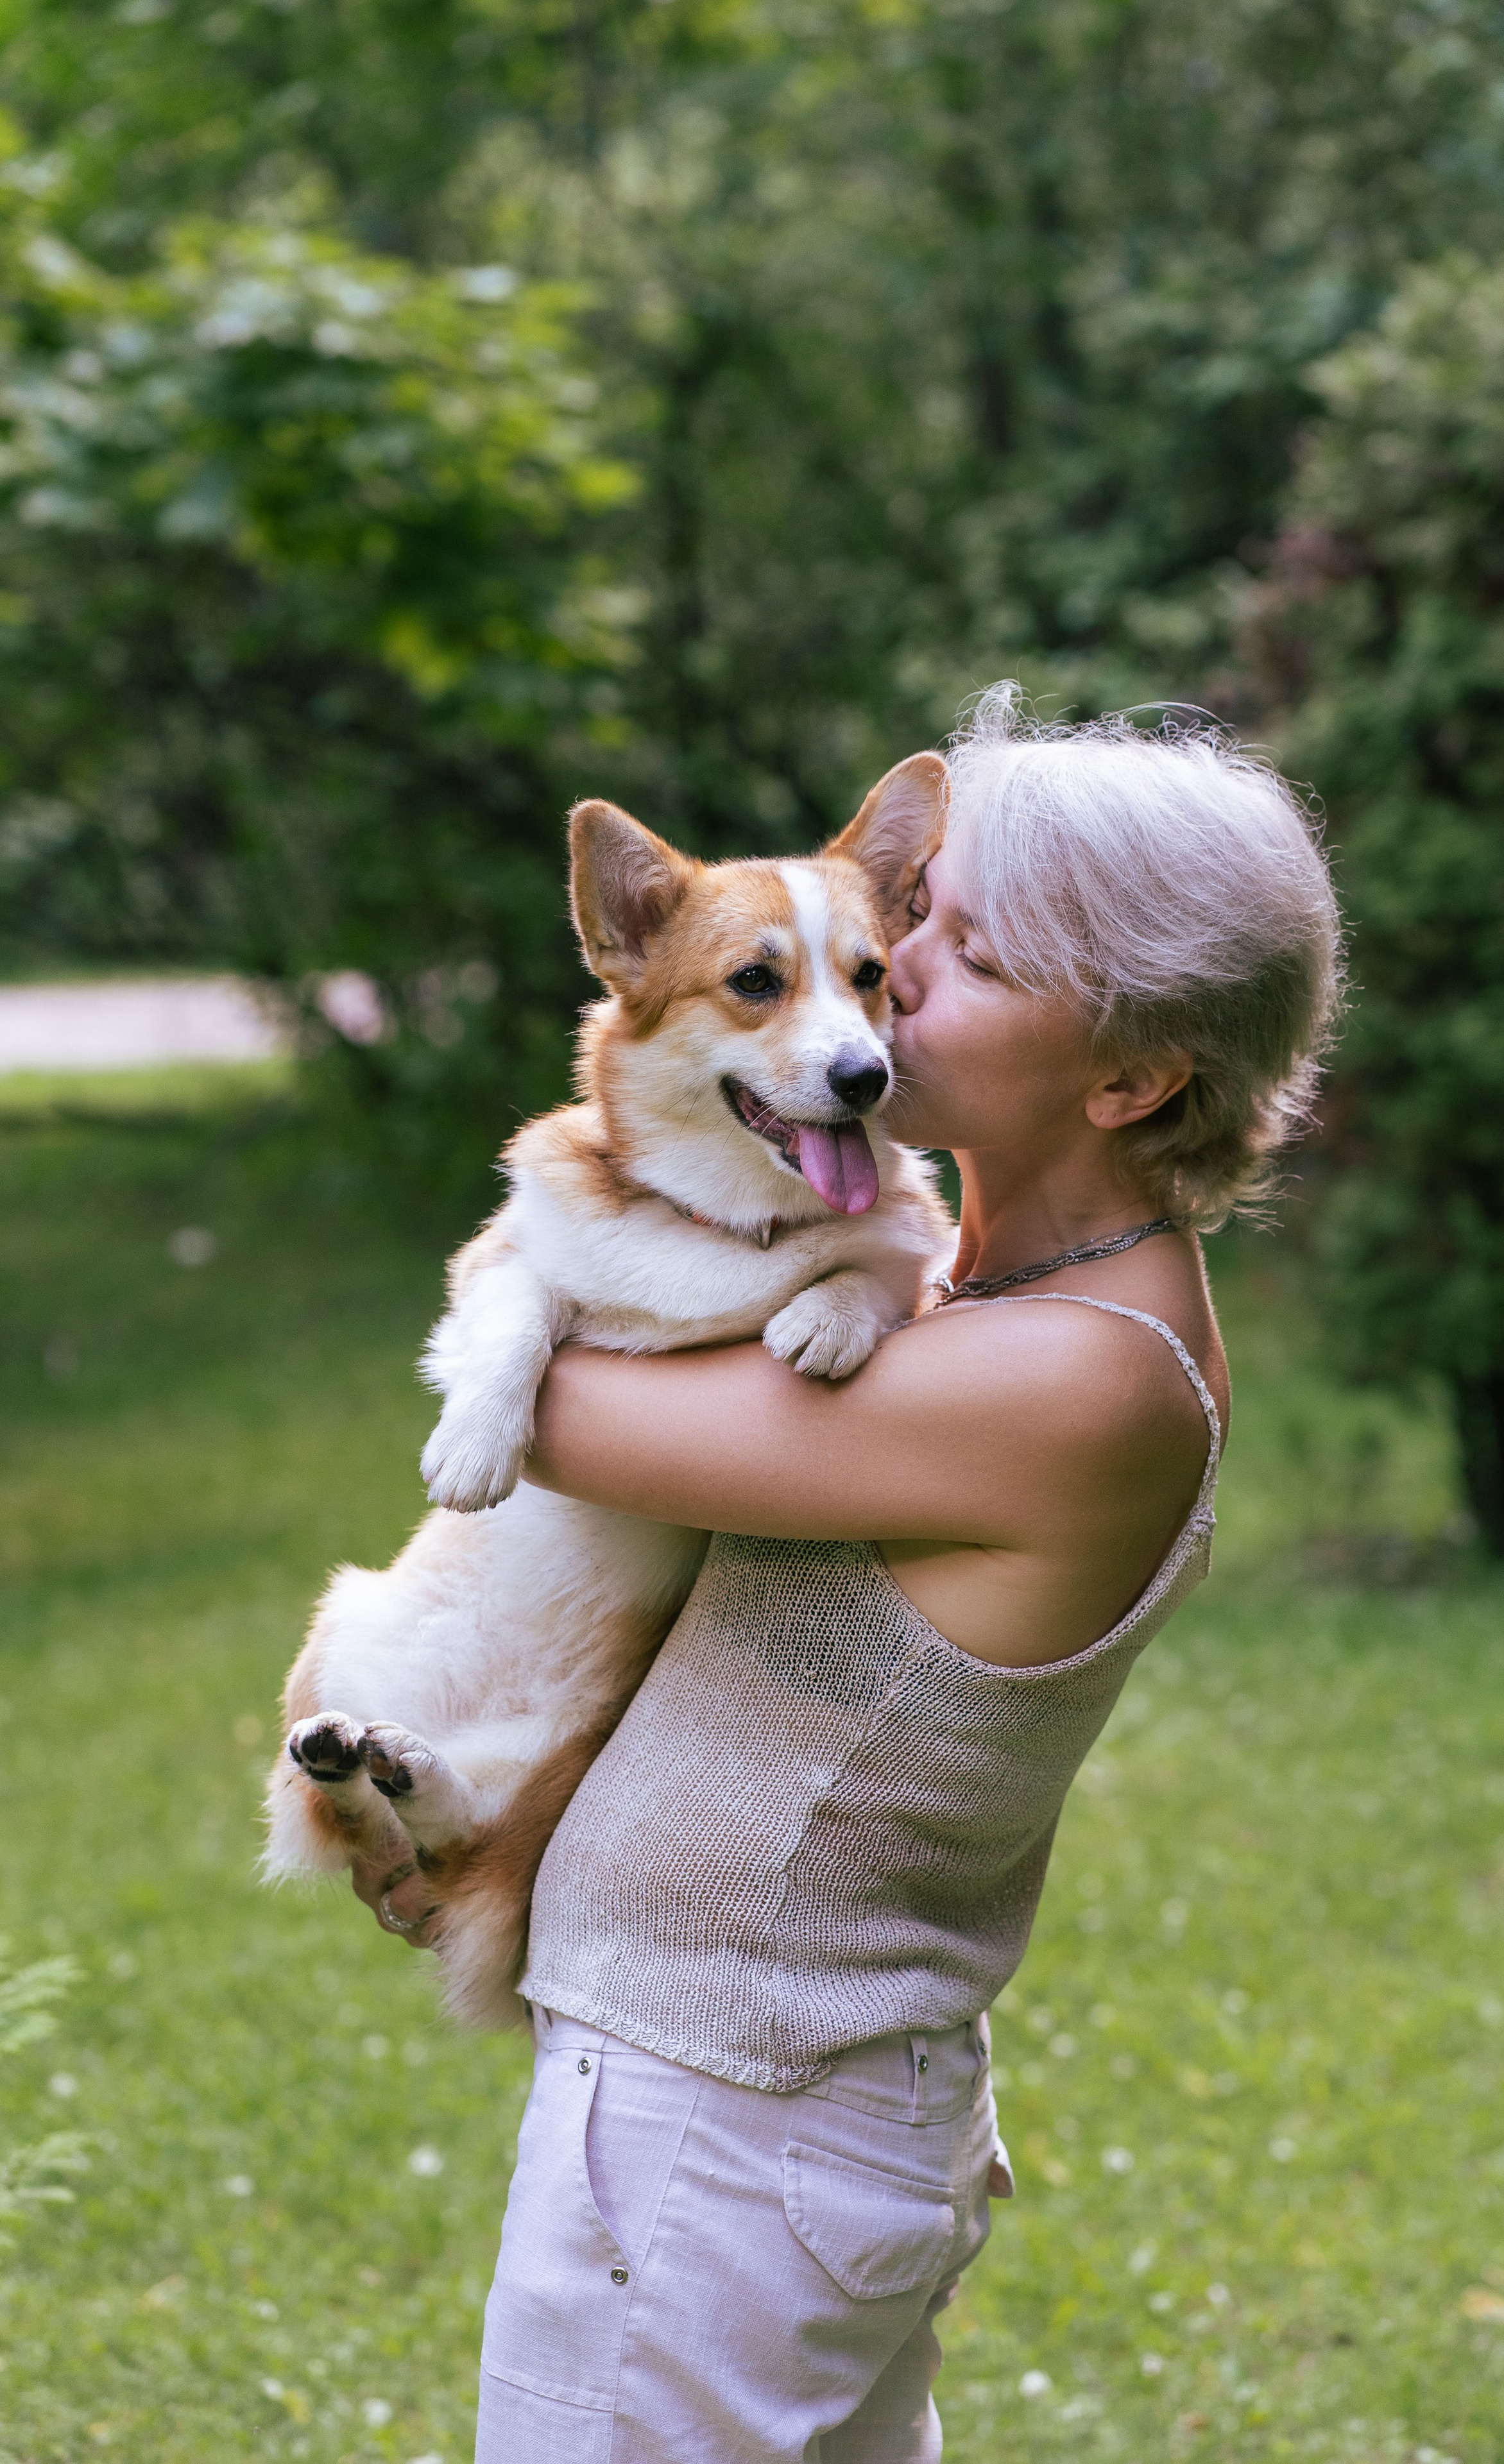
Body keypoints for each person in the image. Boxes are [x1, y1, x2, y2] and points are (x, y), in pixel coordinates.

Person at [353, 686, 1342, 2461]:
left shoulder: (1068, 1378)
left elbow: (576, 1418)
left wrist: (551, 1231)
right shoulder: (990, 1287)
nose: (892, 969)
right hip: (769, 2105)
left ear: (1128, 1074)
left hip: (730, 2133)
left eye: (961, 951)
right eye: (922, 930)